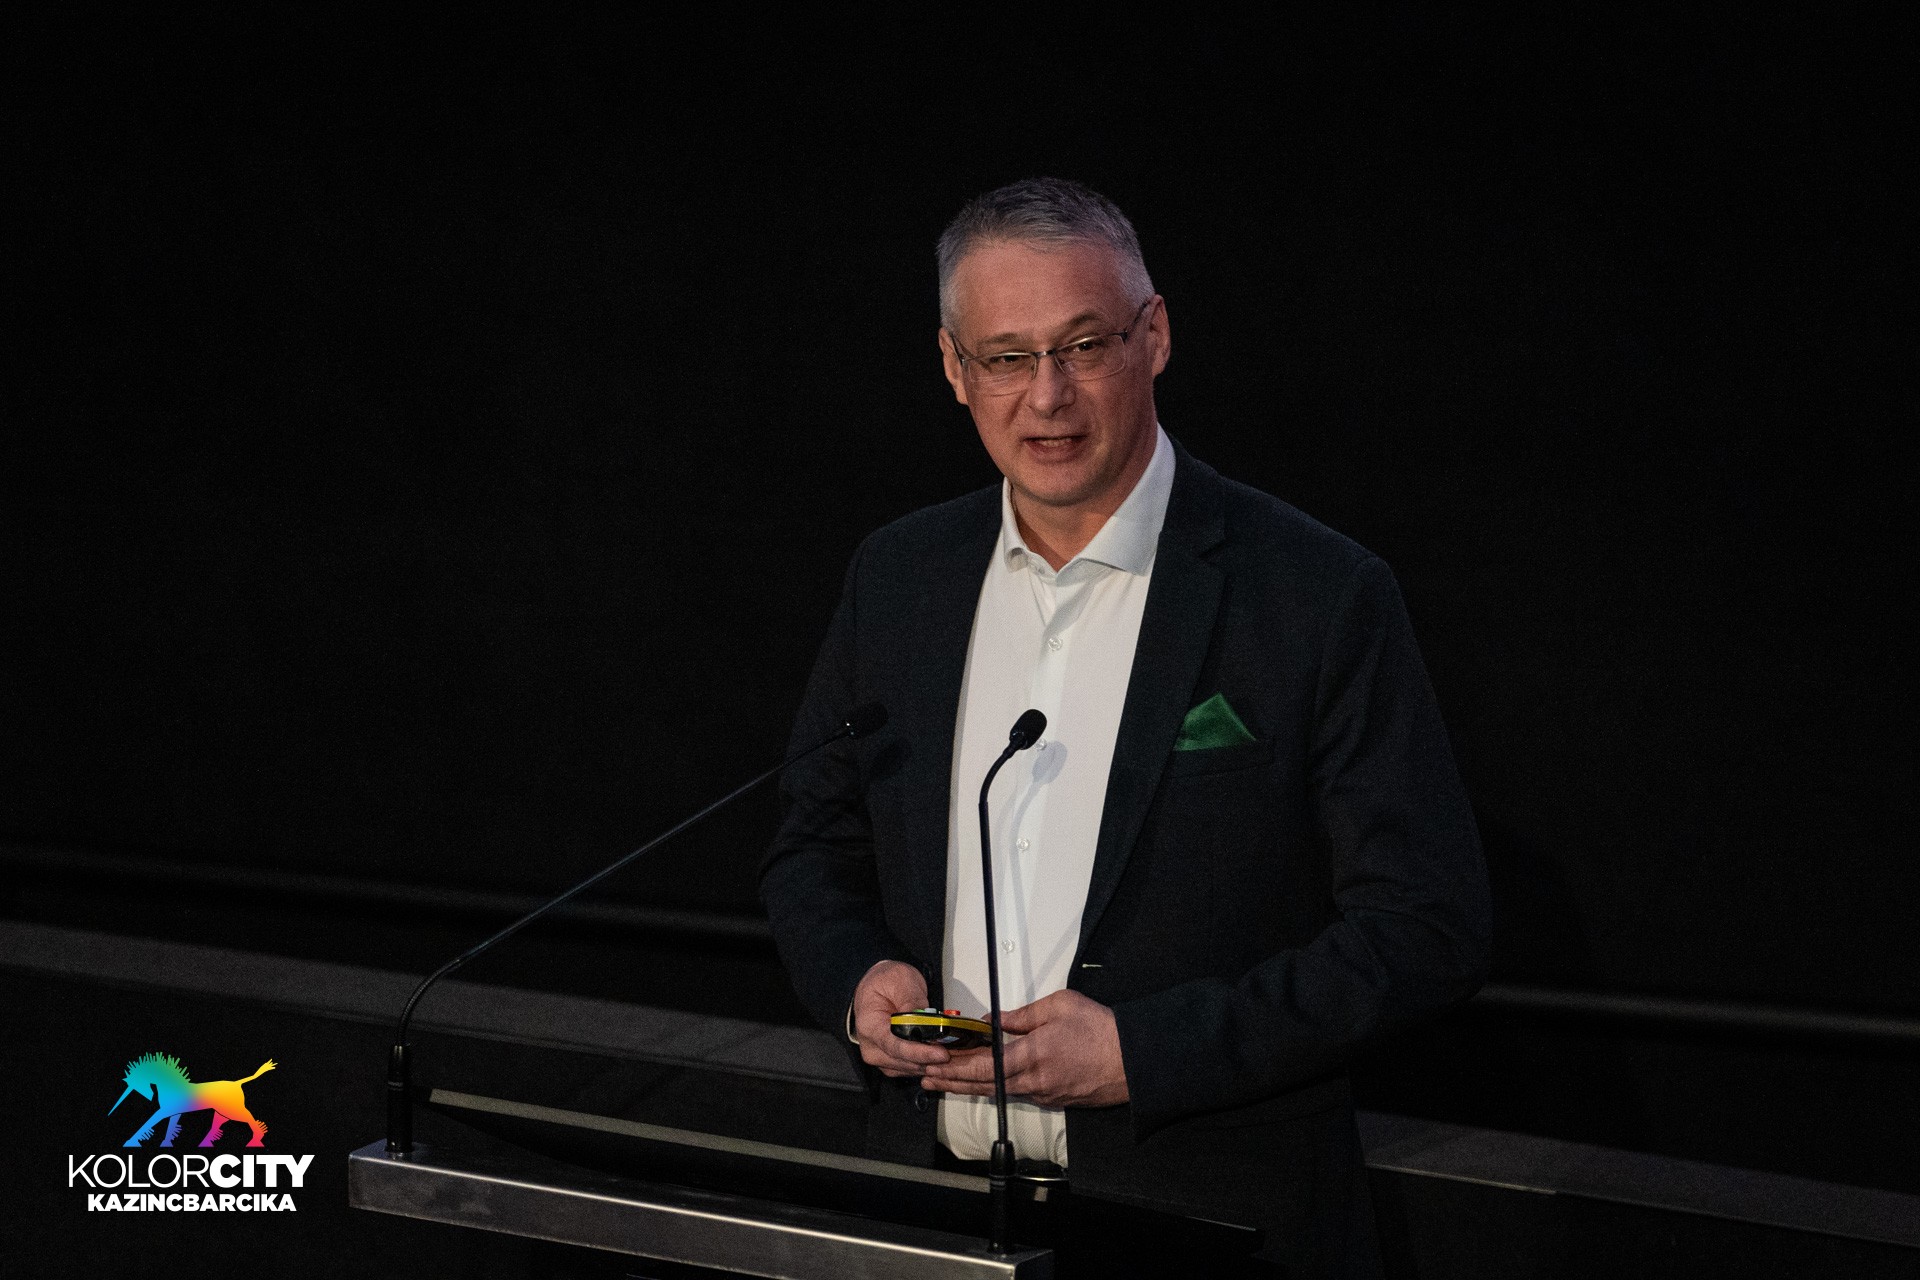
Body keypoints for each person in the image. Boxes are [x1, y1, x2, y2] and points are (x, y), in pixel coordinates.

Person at [760, 177, 1490, 1278]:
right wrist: (857, 982)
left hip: (1207, 1226)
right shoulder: (899, 578)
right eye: (1006, 357)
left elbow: (1427, 925)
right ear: (954, 370)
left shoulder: (1315, 593)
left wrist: (1140, 1052)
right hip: (934, 1223)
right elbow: (812, 848)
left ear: (1153, 337)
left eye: (1083, 345)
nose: (1046, 396)